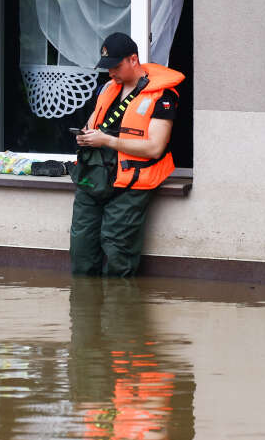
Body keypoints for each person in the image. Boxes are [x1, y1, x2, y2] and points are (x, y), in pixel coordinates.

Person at [70, 32, 185, 277]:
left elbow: (155, 147)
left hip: (131, 184)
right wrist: (86, 136)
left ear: (133, 59)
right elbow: (93, 125)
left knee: (117, 254)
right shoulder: (107, 89)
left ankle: (120, 313)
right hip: (94, 178)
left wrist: (107, 140)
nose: (111, 72)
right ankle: (83, 312)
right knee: (81, 251)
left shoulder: (162, 97)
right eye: (107, 67)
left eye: (116, 66)